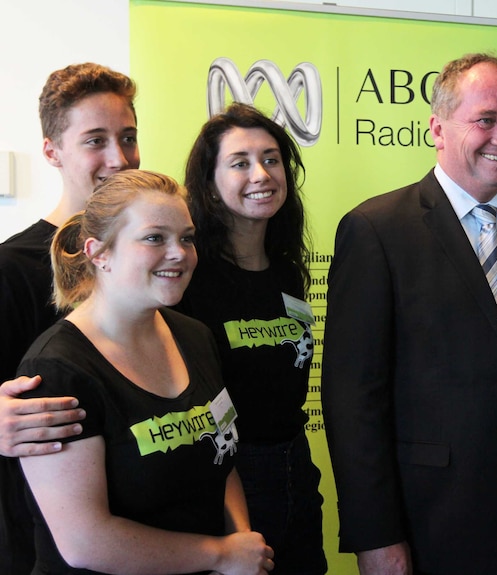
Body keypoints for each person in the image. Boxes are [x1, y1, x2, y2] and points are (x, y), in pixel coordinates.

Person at [321, 53, 497, 575]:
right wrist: (376, 538)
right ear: (438, 128)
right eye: (486, 120)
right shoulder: (376, 231)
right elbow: (352, 401)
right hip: (427, 529)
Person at [16, 169, 274, 574]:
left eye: (186, 238)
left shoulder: (195, 338)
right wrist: (221, 555)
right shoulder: (58, 369)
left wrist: (240, 542)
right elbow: (86, 541)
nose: (179, 253)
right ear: (99, 253)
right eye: (155, 238)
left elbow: (221, 457)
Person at [0, 63, 138, 574]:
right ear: (52, 151)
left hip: (150, 537)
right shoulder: (12, 270)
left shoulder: (149, 264)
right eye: (95, 140)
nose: (119, 159)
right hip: (43, 548)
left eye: (128, 137)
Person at [178, 102, 326, 575]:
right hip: (226, 480)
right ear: (210, 187)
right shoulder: (188, 277)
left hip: (296, 471)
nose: (261, 174)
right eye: (240, 163)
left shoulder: (288, 272)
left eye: (271, 159)